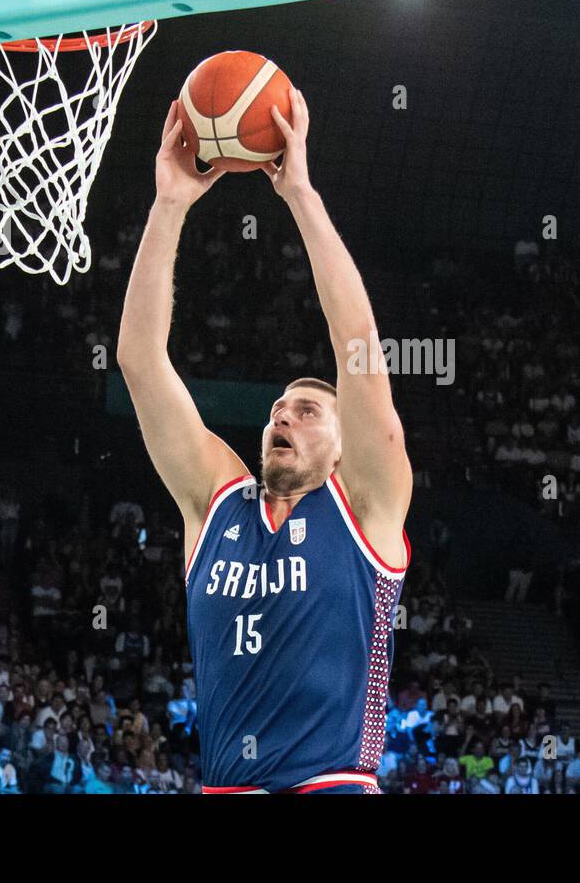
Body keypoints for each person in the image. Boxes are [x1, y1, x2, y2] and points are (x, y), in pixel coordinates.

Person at [118, 89, 413, 795]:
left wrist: (302, 196)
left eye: (308, 410)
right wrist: (169, 206)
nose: (283, 416)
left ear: (344, 448)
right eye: (278, 409)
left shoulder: (365, 506)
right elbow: (137, 359)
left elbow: (360, 351)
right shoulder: (215, 502)